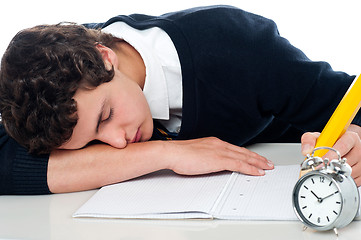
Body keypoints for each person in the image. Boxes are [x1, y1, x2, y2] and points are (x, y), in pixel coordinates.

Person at [1, 5, 361, 195]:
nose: (117, 144)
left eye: (105, 118)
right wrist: (166, 153)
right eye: (93, 143)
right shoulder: (59, 78)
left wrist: (355, 139)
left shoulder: (239, 46)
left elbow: (347, 102)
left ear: (105, 58)